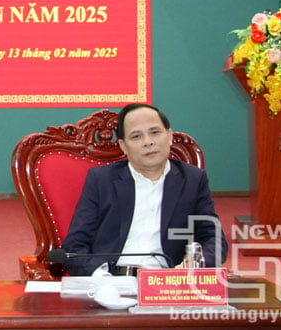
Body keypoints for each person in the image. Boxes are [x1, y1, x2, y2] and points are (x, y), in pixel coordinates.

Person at [62, 103, 228, 276]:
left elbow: (214, 239)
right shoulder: (102, 180)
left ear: (169, 136)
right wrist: (102, 277)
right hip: (111, 278)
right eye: (136, 137)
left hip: (167, 281)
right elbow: (74, 246)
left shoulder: (192, 179)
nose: (148, 142)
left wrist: (193, 265)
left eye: (155, 133)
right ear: (123, 146)